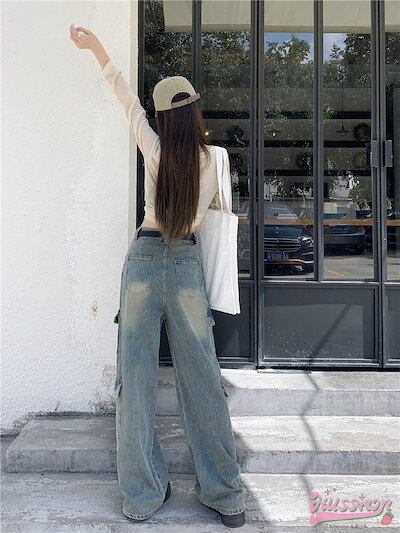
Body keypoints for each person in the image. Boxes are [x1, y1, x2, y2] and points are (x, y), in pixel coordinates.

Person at [69, 24, 246, 528]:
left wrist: (97, 48)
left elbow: (126, 100)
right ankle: (225, 495)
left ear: (164, 118)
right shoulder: (215, 159)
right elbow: (217, 215)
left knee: (136, 379)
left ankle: (142, 497)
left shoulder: (156, 148)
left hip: (143, 261)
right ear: (195, 112)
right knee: (203, 380)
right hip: (185, 264)